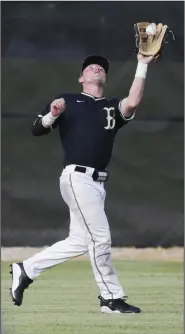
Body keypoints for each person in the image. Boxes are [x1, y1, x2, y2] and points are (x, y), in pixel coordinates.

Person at [10, 53, 153, 314]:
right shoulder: (67, 100)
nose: (96, 68)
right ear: (81, 77)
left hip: (97, 184)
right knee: (100, 237)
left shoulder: (110, 107)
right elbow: (37, 128)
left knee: (78, 241)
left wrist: (142, 65)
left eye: (101, 67)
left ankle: (26, 269)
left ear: (106, 78)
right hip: (77, 178)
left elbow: (132, 102)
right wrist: (52, 115)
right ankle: (111, 298)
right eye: (90, 66)